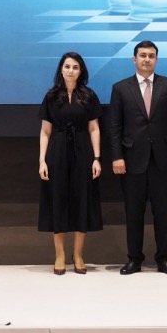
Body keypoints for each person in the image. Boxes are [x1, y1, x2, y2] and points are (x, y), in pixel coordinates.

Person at [106, 41, 167, 275]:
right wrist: (117, 156)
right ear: (134, 59)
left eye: (151, 56)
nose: (147, 59)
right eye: (142, 55)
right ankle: (134, 259)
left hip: (163, 159)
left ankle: (164, 258)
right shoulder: (120, 88)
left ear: (156, 60)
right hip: (131, 160)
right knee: (133, 212)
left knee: (163, 212)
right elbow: (115, 126)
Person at [38, 52, 103, 275]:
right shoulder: (51, 96)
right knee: (58, 200)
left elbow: (94, 128)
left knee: (81, 200)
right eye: (67, 66)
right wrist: (42, 161)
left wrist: (97, 158)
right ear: (61, 69)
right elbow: (45, 131)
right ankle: (59, 255)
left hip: (83, 151)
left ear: (81, 71)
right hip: (57, 151)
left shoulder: (89, 96)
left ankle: (78, 254)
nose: (71, 70)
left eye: (75, 67)